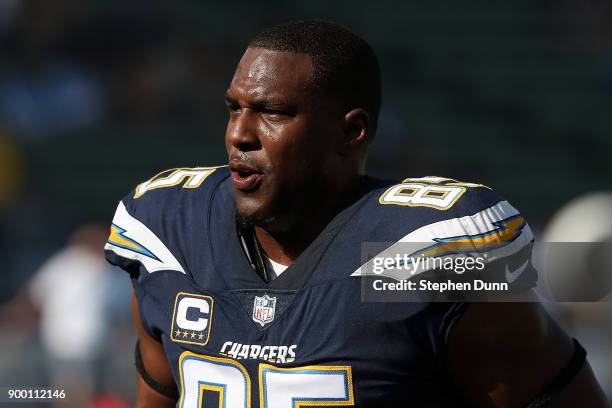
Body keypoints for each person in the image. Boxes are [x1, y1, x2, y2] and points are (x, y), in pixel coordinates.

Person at [104, 20, 607, 407]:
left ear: (352, 131)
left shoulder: (416, 256)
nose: (239, 133)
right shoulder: (170, 228)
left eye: (272, 112)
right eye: (235, 108)